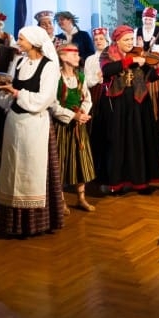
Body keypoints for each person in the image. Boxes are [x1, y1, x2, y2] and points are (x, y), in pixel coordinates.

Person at [0, 25, 64, 237]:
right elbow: (8, 92)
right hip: (14, 124)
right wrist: (6, 95)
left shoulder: (49, 66)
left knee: (32, 171)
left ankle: (34, 223)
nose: (18, 43)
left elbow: (44, 100)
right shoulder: (19, 62)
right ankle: (13, 223)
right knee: (13, 169)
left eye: (22, 39)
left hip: (35, 125)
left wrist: (15, 92)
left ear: (34, 41)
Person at [96, 25, 159, 194]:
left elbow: (149, 74)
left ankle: (141, 182)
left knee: (140, 141)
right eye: (126, 40)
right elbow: (107, 70)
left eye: (131, 39)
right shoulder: (107, 53)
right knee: (119, 142)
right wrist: (130, 61)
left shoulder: (138, 53)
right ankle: (117, 184)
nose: (130, 43)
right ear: (117, 41)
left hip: (139, 102)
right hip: (118, 104)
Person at [51, 39, 96, 212]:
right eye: (74, 53)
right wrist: (72, 116)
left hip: (79, 124)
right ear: (63, 56)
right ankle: (61, 200)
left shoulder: (80, 77)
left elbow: (87, 98)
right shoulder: (56, 77)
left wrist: (83, 113)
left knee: (80, 159)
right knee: (61, 160)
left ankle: (81, 198)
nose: (78, 56)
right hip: (62, 125)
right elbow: (53, 104)